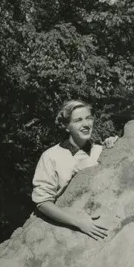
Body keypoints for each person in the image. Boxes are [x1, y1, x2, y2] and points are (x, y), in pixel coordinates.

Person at [31, 99, 117, 240]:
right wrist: (78, 222)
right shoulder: (51, 157)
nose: (86, 124)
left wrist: (116, 147)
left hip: (104, 228)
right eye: (78, 120)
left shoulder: (102, 151)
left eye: (89, 118)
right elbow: (43, 203)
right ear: (66, 126)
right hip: (62, 232)